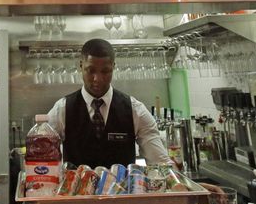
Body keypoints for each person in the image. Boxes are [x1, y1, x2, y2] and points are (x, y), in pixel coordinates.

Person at [46, 38, 170, 168]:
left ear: (113, 67)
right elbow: (41, 159)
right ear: (81, 66)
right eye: (91, 70)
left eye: (105, 71)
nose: (97, 79)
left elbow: (160, 163)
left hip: (122, 182)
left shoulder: (135, 110)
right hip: (76, 182)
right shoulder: (62, 109)